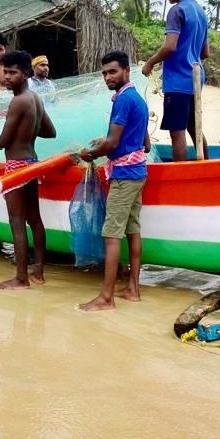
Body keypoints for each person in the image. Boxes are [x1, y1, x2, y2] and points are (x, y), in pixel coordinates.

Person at [78, 51, 150, 311]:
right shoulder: (137, 99)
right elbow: (146, 143)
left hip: (123, 177)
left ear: (126, 71)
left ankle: (106, 298)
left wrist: (89, 154)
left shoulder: (122, 101)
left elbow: (114, 143)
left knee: (111, 234)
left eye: (113, 72)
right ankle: (132, 288)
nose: (108, 77)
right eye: (105, 73)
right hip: (138, 172)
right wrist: (107, 141)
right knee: (133, 229)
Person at [0, 51, 57, 290]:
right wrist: (28, 128)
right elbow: (50, 132)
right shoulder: (35, 98)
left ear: (26, 74)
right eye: (6, 72)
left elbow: (3, 141)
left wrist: (2, 138)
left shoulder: (17, 100)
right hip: (32, 161)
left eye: (13, 72)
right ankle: (38, 271)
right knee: (35, 220)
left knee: (17, 221)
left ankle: (21, 278)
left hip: (16, 165)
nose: (7, 77)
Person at [141, 0, 209, 161]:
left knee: (176, 131)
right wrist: (188, 53)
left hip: (178, 80)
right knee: (195, 128)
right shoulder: (201, 12)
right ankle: (207, 166)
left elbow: (170, 46)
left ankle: (181, 172)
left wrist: (150, 63)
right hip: (196, 78)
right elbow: (205, 52)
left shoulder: (177, 11)